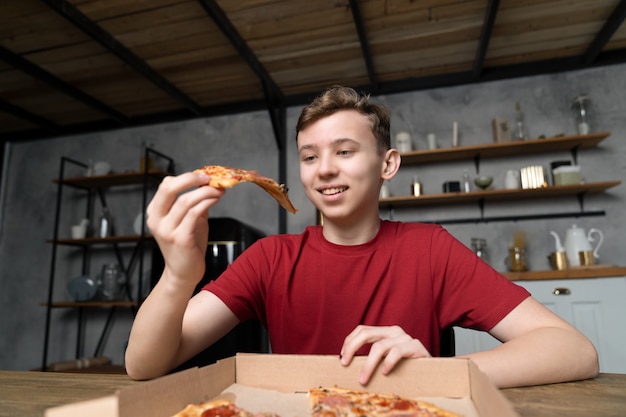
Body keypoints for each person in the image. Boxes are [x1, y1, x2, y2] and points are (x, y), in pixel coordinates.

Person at [125, 85, 598, 387]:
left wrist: (437, 374)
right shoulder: (270, 259)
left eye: (345, 151)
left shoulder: (430, 250)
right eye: (309, 157)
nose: (325, 168)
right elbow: (144, 365)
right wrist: (178, 274)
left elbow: (574, 350)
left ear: (387, 164)